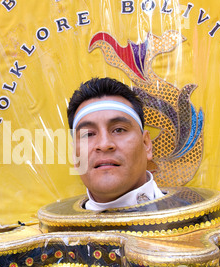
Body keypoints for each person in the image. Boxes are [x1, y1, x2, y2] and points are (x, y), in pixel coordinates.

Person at [67, 77, 164, 211]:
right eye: (88, 134)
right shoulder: (54, 231)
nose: (104, 144)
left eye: (119, 130)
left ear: (146, 144)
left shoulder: (198, 224)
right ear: (74, 156)